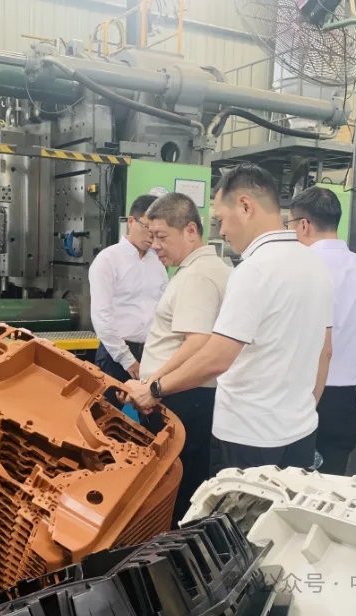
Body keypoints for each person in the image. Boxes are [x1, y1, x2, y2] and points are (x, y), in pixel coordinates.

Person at [128, 163, 335, 475]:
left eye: (221, 220)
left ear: (245, 206)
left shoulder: (254, 269)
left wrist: (154, 389)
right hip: (300, 432)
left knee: (233, 509)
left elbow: (217, 358)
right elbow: (325, 350)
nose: (222, 232)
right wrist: (304, 412)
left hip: (247, 438)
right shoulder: (315, 265)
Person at [128, 192, 232, 522]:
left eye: (162, 237)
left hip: (182, 399)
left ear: (190, 230)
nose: (155, 245)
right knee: (188, 486)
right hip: (188, 396)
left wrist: (154, 385)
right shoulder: (208, 268)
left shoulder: (197, 275)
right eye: (152, 236)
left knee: (176, 492)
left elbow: (197, 342)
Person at [288, 187, 356, 475]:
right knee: (328, 490)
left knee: (286, 489)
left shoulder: (296, 268)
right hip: (344, 405)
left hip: (299, 398)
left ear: (303, 225)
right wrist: (350, 338)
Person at [88, 195, 168, 383]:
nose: (151, 236)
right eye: (147, 227)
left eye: (157, 232)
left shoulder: (158, 263)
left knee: (150, 403)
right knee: (108, 402)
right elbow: (101, 316)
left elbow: (163, 309)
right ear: (131, 222)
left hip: (151, 353)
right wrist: (127, 359)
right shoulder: (108, 260)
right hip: (114, 355)